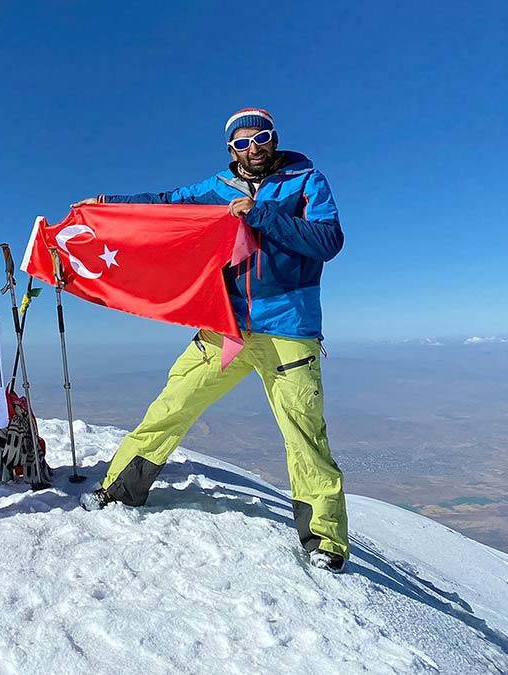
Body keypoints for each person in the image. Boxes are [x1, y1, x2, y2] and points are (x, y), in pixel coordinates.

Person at [73, 108, 350, 573]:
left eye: (260, 137)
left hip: (288, 326)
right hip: (225, 323)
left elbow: (327, 240)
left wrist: (261, 215)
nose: (252, 148)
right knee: (174, 401)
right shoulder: (215, 189)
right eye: (241, 142)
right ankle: (121, 487)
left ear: (274, 138)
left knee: (304, 432)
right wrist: (106, 204)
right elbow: (165, 203)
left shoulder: (306, 180)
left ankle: (323, 538)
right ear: (230, 149)